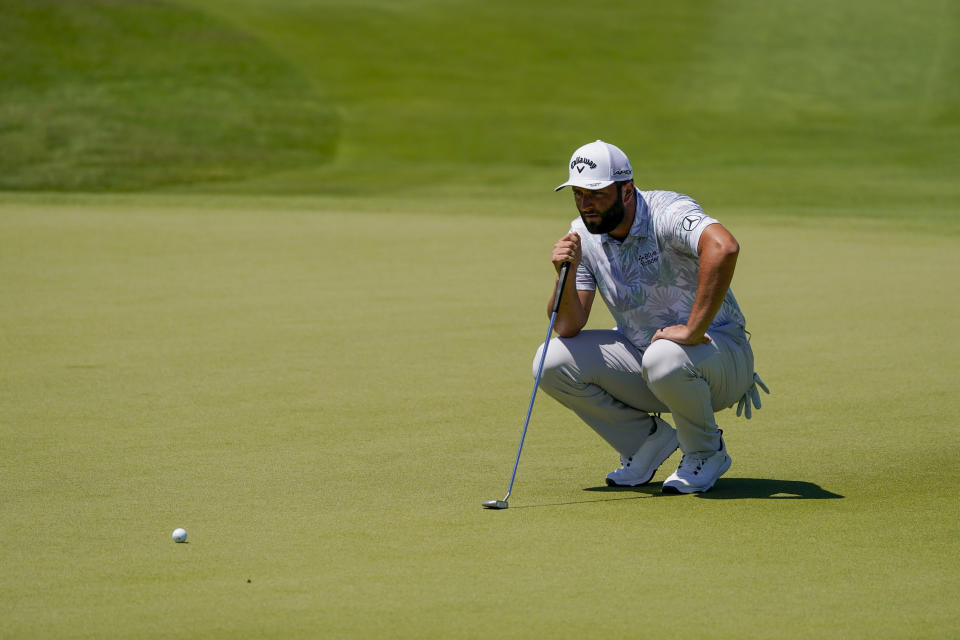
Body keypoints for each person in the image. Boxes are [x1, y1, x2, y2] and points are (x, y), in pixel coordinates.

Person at [537, 139, 768, 494]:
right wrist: (563, 273)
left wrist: (693, 329)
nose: (586, 205)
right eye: (579, 194)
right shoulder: (582, 234)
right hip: (649, 361)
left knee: (666, 357)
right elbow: (568, 325)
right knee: (549, 360)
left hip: (720, 358)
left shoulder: (667, 210)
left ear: (626, 190)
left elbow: (724, 247)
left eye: (596, 194)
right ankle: (646, 443)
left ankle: (706, 452)